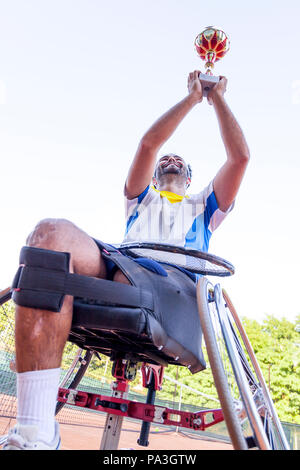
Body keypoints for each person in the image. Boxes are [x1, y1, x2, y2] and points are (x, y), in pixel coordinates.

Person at [3, 70, 250, 450]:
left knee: (122, 286)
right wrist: (190, 98)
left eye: (178, 160)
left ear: (188, 178)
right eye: (164, 160)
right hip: (125, 264)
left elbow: (240, 156)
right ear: (153, 176)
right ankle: (36, 433)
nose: (170, 159)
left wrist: (215, 98)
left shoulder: (204, 207)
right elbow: (150, 142)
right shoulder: (141, 199)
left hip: (174, 284)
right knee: (48, 238)